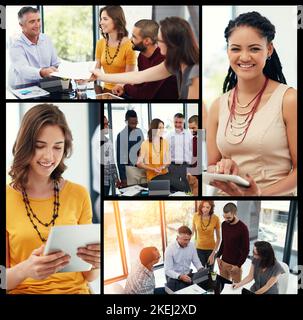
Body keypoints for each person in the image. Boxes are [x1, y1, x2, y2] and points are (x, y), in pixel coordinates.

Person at [6, 104, 100, 294]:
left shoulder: (78, 194)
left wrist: (96, 262)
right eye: (40, 146)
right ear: (25, 146)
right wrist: (26, 269)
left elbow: (88, 276)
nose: (49, 156)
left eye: (58, 147)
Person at [206, 11, 297, 196]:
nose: (245, 57)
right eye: (236, 49)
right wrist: (224, 167)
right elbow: (212, 166)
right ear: (228, 50)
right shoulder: (217, 106)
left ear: (269, 49)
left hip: (272, 197)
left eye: (254, 49)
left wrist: (258, 195)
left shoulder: (288, 100)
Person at [91, 16, 199, 99]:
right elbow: (139, 77)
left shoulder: (194, 72)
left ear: (172, 44)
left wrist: (124, 86)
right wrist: (101, 76)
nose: (157, 43)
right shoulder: (172, 64)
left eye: (160, 40)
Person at [112, 19, 178, 99]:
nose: (130, 39)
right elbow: (141, 83)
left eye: (134, 37)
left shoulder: (162, 59)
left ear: (147, 41)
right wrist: (122, 89)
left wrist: (125, 86)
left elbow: (144, 95)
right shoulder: (141, 56)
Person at [9, 6, 60, 86]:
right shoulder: (16, 46)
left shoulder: (46, 39)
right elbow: (23, 70)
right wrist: (42, 72)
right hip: (25, 88)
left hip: (47, 86)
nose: (37, 25)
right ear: (21, 25)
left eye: (38, 20)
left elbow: (56, 63)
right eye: (32, 22)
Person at [95, 6, 136, 92]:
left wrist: (119, 86)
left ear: (116, 21)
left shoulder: (129, 45)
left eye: (105, 19)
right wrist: (83, 78)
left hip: (122, 92)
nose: (101, 22)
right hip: (105, 90)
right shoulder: (100, 43)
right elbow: (96, 70)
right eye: (101, 19)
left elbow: (129, 76)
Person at [216, 203, 249, 283]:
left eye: (229, 217)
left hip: (235, 265)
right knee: (222, 286)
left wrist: (238, 266)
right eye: (224, 217)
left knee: (235, 290)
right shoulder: (224, 224)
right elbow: (224, 242)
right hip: (223, 263)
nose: (226, 219)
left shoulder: (243, 228)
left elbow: (246, 250)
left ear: (235, 214)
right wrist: (218, 256)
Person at [164, 226, 204, 291]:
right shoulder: (170, 249)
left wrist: (201, 269)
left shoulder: (192, 245)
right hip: (174, 278)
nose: (187, 242)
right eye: (185, 240)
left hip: (188, 276)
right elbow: (168, 270)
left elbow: (196, 261)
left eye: (189, 239)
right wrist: (180, 276)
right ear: (177, 237)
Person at [116, 110, 145, 187]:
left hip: (141, 170)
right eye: (132, 123)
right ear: (126, 121)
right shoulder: (122, 135)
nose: (134, 125)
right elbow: (120, 159)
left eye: (135, 122)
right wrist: (123, 178)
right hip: (128, 173)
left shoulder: (140, 132)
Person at [166, 113, 192, 193]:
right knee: (173, 189)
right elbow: (166, 151)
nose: (177, 124)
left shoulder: (189, 134)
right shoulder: (169, 135)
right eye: (176, 122)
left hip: (186, 166)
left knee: (187, 189)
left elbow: (192, 150)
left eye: (180, 122)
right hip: (172, 166)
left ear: (183, 122)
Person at [192, 201, 221, 271]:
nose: (205, 209)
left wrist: (213, 254)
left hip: (211, 249)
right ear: (200, 207)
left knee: (210, 272)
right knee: (200, 272)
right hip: (199, 249)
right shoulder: (195, 216)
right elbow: (192, 232)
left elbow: (218, 238)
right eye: (203, 207)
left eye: (208, 207)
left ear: (211, 208)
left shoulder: (215, 218)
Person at [103, 116, 121, 195]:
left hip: (107, 182)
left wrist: (116, 179)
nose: (107, 126)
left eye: (108, 123)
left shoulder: (108, 142)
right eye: (105, 124)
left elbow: (112, 162)